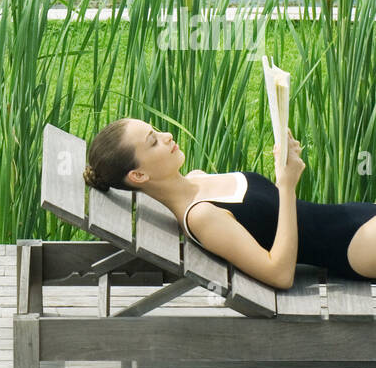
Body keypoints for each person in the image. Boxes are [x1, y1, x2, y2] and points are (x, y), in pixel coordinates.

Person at [82, 117, 376, 286]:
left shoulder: (198, 178)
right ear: (139, 175)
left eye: (157, 130)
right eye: (153, 141)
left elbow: (271, 216)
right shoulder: (200, 216)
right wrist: (286, 185)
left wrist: (287, 162)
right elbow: (280, 273)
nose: (167, 135)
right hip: (355, 246)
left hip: (357, 217)